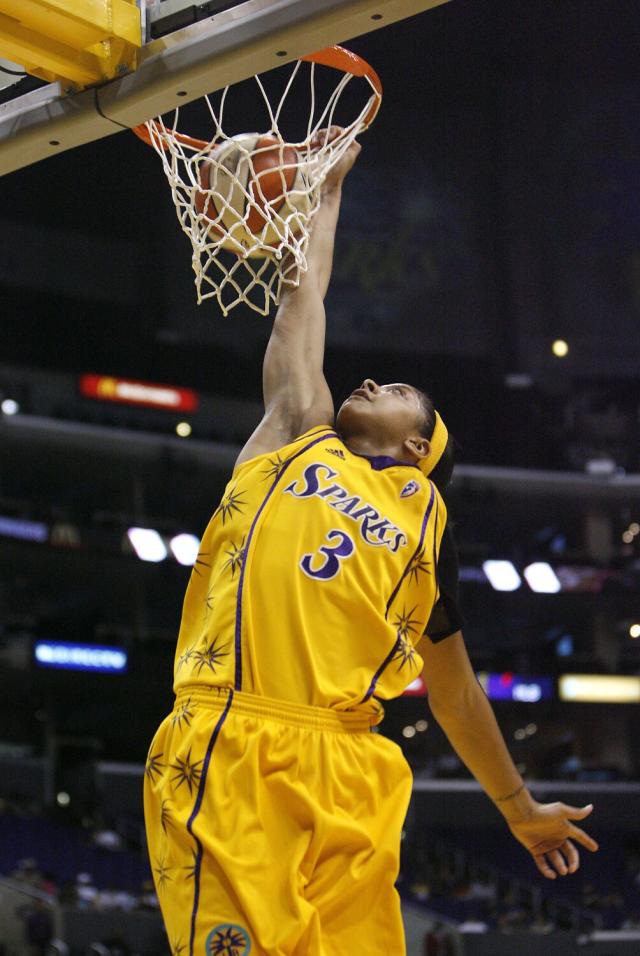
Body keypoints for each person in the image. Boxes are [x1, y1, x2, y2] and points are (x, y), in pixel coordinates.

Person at [144, 133, 599, 955]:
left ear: (422, 446)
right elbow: (302, 295)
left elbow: (456, 696)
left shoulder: (428, 524)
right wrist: (323, 192)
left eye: (395, 393)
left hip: (355, 768)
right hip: (234, 740)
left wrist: (517, 806)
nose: (367, 383)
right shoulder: (295, 435)